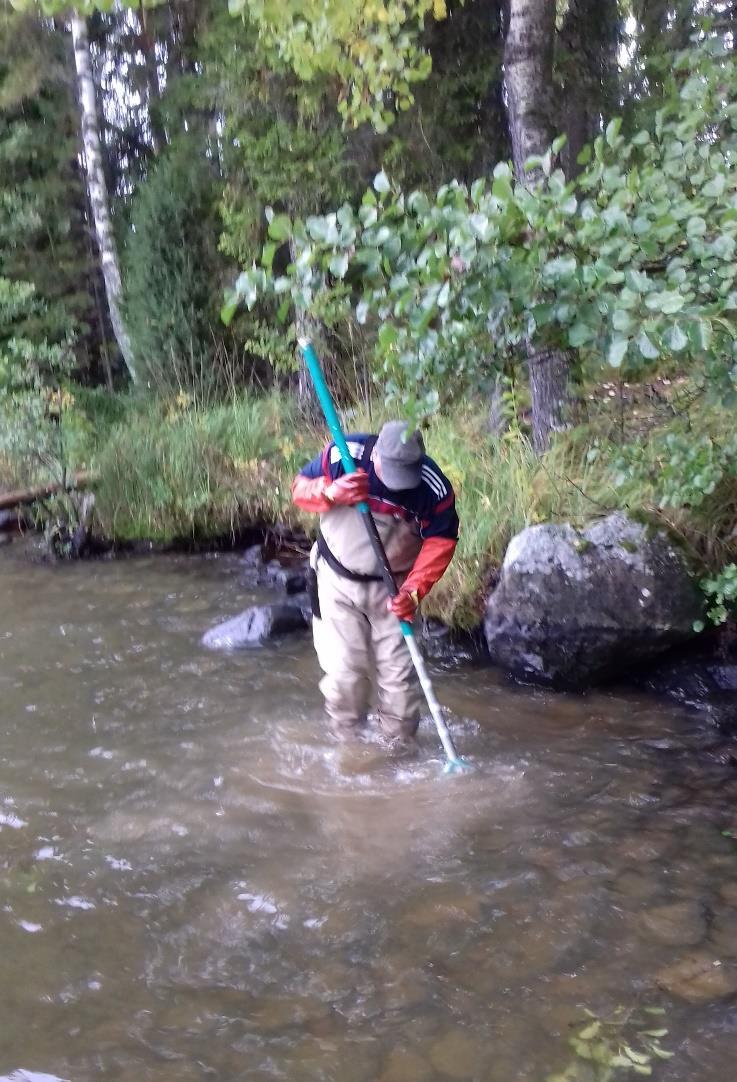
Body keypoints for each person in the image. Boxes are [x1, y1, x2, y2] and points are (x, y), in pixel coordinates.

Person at [292, 421, 459, 743]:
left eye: (405, 475)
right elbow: (300, 488)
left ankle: (398, 757)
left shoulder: (432, 488)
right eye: (391, 472)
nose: (398, 485)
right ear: (377, 455)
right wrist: (329, 492)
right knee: (345, 678)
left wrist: (413, 591)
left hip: (394, 593)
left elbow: (441, 541)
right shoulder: (346, 455)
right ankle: (349, 750)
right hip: (336, 582)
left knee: (400, 692)